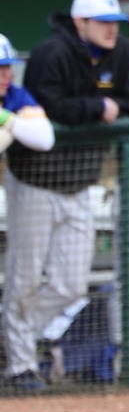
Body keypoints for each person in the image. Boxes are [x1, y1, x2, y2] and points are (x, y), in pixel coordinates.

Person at [2, 0, 129, 394]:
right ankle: (19, 364)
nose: (110, 30)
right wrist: (98, 108)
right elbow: (50, 104)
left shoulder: (120, 55)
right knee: (24, 277)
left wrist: (104, 105)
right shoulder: (54, 51)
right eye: (102, 23)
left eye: (115, 24)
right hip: (35, 183)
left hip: (81, 182)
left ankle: (14, 336)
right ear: (80, 22)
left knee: (71, 285)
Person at [0, 34, 57, 392]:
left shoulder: (13, 98)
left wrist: (5, 116)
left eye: (7, 68)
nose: (6, 75)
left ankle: (12, 337)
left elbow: (44, 136)